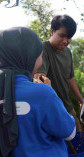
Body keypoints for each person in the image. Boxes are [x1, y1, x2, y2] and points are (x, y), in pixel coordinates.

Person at [0, 27, 76, 157]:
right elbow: (69, 133)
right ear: (28, 57)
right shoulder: (42, 93)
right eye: (39, 54)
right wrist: (49, 91)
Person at [34, 15, 84, 130]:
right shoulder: (43, 49)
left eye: (69, 37)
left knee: (78, 134)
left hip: (66, 105)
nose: (66, 41)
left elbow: (70, 78)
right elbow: (39, 78)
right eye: (62, 36)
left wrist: (81, 100)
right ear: (52, 31)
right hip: (50, 107)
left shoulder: (67, 53)